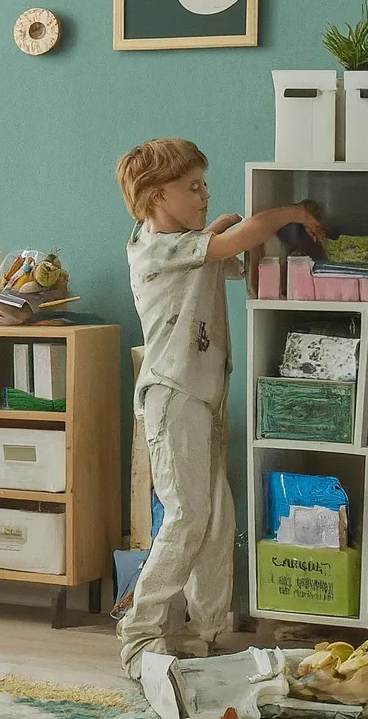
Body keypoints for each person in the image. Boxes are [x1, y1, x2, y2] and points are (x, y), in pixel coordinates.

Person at [115, 138, 324, 680]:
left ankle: (203, 632)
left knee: (216, 519)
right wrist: (291, 213)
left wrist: (226, 227)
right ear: (157, 195)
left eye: (204, 185)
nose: (205, 196)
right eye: (194, 187)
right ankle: (141, 631)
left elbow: (224, 240)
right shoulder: (155, 249)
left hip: (204, 398)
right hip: (173, 397)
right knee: (185, 516)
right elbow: (241, 235)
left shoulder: (186, 242)